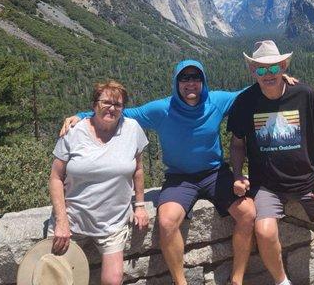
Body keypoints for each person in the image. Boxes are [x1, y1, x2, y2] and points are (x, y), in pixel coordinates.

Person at [61, 60, 277, 285]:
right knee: (166, 222)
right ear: (176, 83)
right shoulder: (161, 109)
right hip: (179, 178)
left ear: (203, 82)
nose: (191, 83)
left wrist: (281, 81)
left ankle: (237, 279)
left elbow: (249, 93)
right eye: (185, 78)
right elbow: (122, 113)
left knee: (248, 213)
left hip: (215, 173)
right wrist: (82, 115)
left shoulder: (217, 101)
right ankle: (180, 281)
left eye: (196, 78)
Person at [227, 40, 314, 285]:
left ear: (284, 66)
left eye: (274, 68)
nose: (268, 74)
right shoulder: (245, 102)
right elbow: (237, 144)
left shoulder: (304, 94)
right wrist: (237, 173)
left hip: (308, 181)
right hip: (267, 185)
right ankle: (282, 282)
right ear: (252, 71)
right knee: (264, 232)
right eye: (262, 69)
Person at [49, 80, 149, 285]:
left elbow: (138, 169)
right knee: (56, 279)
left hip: (112, 223)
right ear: (94, 104)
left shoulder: (132, 129)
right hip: (72, 220)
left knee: (113, 281)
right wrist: (61, 221)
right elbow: (56, 178)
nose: (111, 108)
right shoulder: (73, 132)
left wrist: (139, 205)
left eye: (118, 105)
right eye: (106, 102)